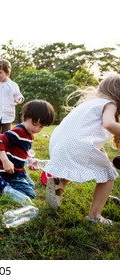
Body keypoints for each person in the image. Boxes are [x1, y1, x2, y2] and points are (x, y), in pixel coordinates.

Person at [44, 74, 120, 225]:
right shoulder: (110, 104)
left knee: (73, 163)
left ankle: (58, 184)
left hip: (58, 143)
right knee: (108, 175)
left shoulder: (91, 104)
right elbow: (109, 124)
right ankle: (94, 216)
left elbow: (89, 133)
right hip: (77, 145)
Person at [0, 100, 55, 198]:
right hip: (8, 172)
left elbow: (21, 152)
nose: (37, 129)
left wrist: (30, 160)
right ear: (24, 118)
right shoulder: (18, 131)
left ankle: (7, 182)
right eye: (34, 123)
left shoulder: (29, 134)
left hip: (18, 170)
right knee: (30, 194)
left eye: (41, 126)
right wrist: (5, 162)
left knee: (32, 186)